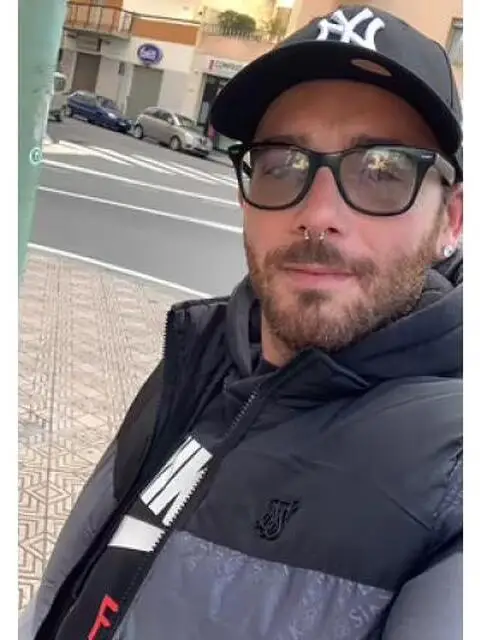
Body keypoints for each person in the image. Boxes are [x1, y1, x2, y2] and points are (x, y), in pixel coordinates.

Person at [20, 4, 462, 639]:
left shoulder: (452, 477)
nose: (318, 214)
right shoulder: (199, 356)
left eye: (382, 171)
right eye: (283, 163)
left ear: (451, 220)